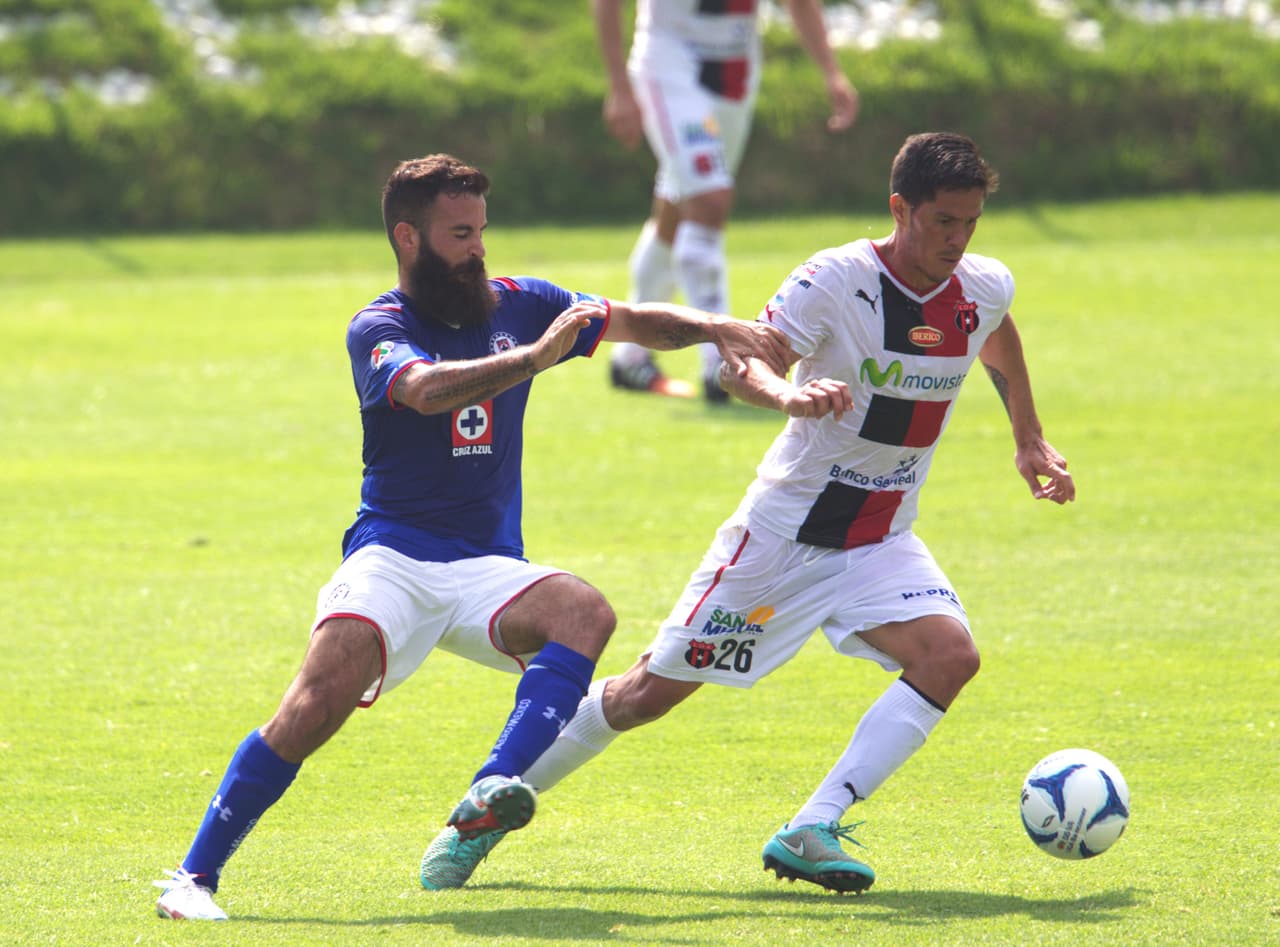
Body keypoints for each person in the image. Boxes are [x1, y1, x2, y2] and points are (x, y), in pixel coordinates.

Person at [419, 132, 1076, 893]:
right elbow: (745, 363)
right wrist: (788, 394)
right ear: (900, 209)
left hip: (879, 537)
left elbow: (995, 334)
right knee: (643, 696)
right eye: (943, 222)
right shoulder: (834, 279)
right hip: (782, 539)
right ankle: (476, 816)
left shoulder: (983, 284)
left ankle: (813, 825)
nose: (958, 241)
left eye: (971, 223)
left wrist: (1028, 437)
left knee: (950, 655)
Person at [152, 153, 790, 920]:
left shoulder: (522, 302)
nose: (479, 247)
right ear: (409, 238)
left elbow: (629, 320)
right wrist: (531, 359)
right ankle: (192, 880)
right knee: (314, 703)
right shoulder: (379, 325)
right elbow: (422, 391)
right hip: (393, 557)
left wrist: (717, 325)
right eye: (460, 233)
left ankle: (489, 791)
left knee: (584, 611)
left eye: (482, 229)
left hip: (487, 566)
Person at [595, 0, 860, 402]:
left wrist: (832, 71)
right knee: (709, 200)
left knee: (679, 205)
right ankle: (720, 368)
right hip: (670, 63)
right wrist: (619, 86)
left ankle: (630, 359)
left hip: (736, 67)